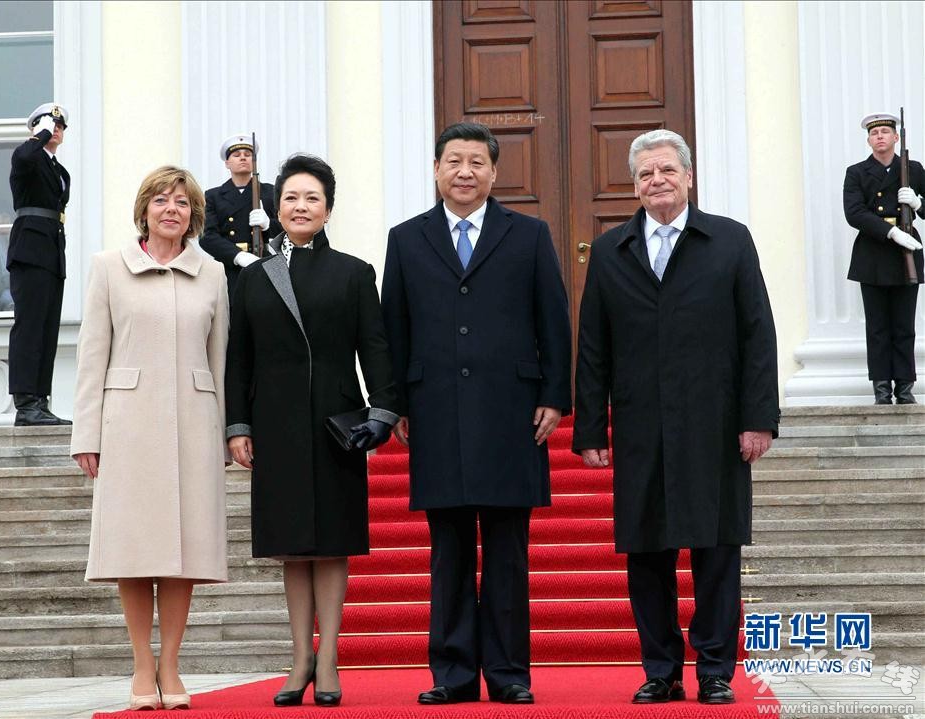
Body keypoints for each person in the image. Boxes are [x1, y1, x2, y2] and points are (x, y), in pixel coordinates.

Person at [572, 129, 779, 705]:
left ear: (688, 176)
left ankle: (715, 669)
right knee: (647, 553)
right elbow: (593, 346)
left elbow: (757, 332)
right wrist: (589, 427)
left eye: (666, 170)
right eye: (645, 173)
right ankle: (660, 669)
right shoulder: (611, 252)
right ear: (634, 185)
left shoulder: (729, 240)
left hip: (715, 423)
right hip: (641, 424)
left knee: (717, 550)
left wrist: (758, 418)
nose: (656, 180)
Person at [381, 122, 572, 706]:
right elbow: (394, 327)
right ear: (437, 169)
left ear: (493, 172)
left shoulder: (529, 234)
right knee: (450, 552)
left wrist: (554, 395)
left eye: (476, 163)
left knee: (509, 551)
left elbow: (553, 319)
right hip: (435, 411)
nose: (465, 172)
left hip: (513, 412)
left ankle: (509, 673)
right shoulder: (406, 239)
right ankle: (453, 674)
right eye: (454, 161)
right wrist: (397, 403)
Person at [225, 154, 398, 708]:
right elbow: (238, 358)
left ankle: (329, 658)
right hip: (274, 422)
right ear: (277, 208)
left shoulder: (353, 272)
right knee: (292, 546)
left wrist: (384, 411)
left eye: (312, 198)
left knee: (331, 543)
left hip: (335, 423)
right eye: (291, 198)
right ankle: (300, 657)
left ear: (328, 209)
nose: (301, 207)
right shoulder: (253, 277)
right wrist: (237, 425)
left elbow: (375, 348)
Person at [70, 166, 229, 711]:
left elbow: (220, 358)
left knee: (182, 553)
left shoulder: (212, 273)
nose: (171, 209)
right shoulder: (108, 268)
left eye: (181, 202)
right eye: (160, 200)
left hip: (193, 422)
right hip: (128, 425)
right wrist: (86, 433)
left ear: (194, 215)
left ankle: (171, 665)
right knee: (133, 550)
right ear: (144, 210)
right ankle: (142, 665)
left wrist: (225, 433)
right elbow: (92, 355)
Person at [844, 112, 924, 404]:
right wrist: (891, 233)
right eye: (874, 133)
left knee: (904, 326)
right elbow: (854, 212)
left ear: (896, 137)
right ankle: (881, 390)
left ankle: (904, 388)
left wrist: (918, 202)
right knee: (877, 328)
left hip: (906, 253)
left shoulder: (913, 169)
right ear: (869, 140)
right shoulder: (856, 172)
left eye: (885, 132)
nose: (879, 137)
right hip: (874, 252)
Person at [7, 102, 72, 425]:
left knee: (47, 328)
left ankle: (40, 400)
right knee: (30, 325)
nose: (55, 130)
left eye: (59, 126)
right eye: (50, 124)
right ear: (36, 128)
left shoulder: (58, 169)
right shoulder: (28, 157)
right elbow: (24, 157)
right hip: (29, 248)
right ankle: (25, 402)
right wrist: (40, 134)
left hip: (51, 250)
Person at [199, 134, 282, 301]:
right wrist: (238, 256)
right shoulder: (213, 196)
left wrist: (268, 224)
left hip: (265, 263)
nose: (243, 158)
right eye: (236, 155)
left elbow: (288, 229)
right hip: (229, 268)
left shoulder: (269, 192)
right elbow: (207, 237)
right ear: (227, 163)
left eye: (248, 154)